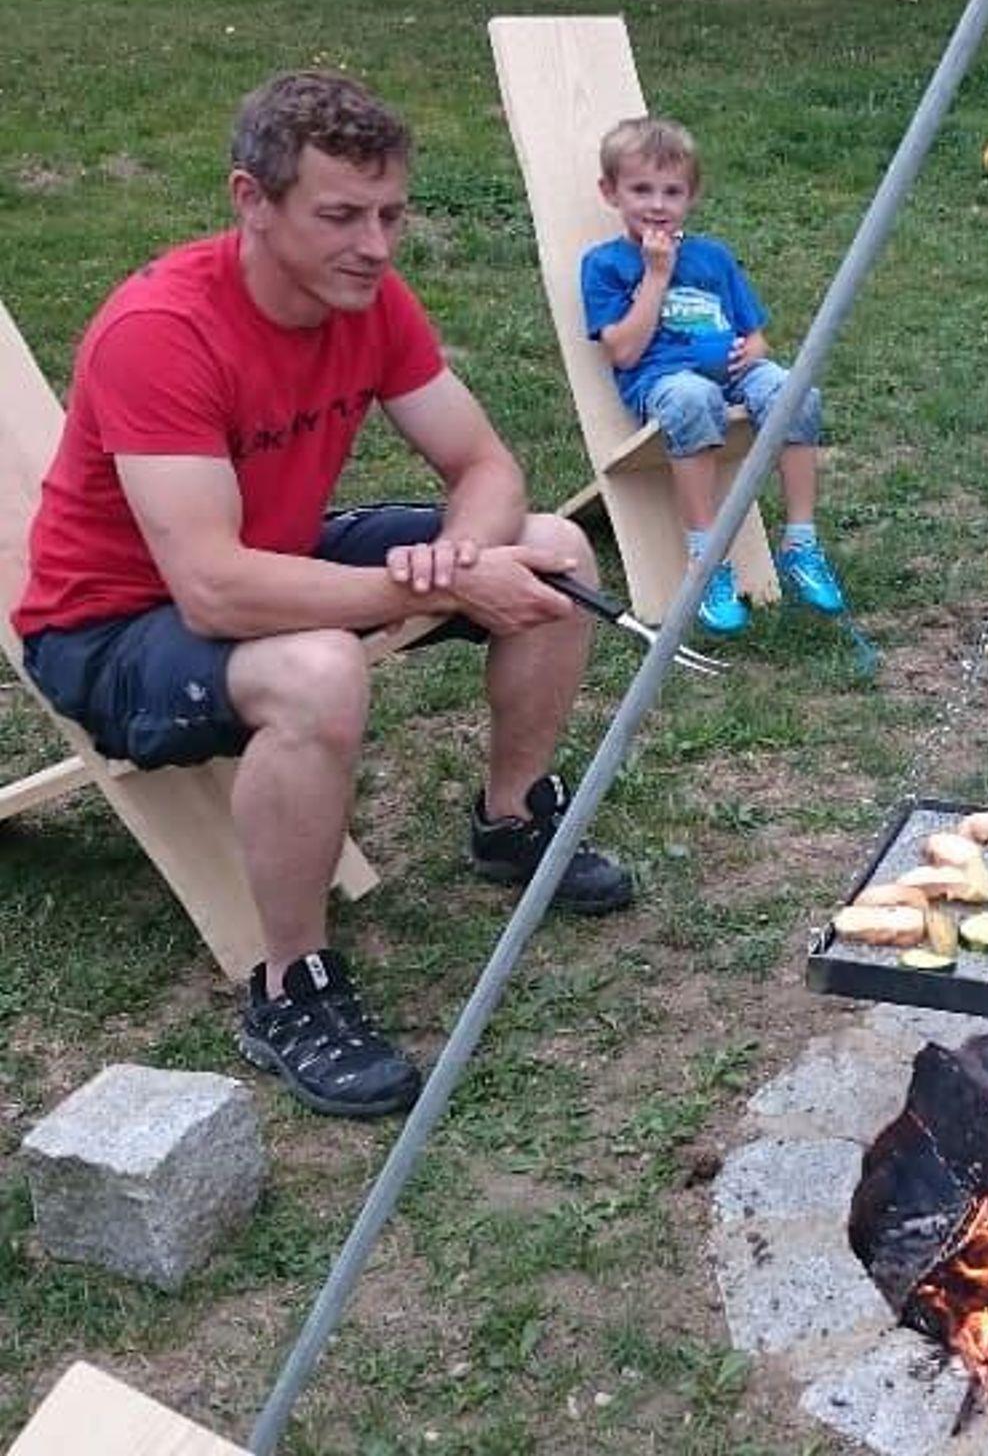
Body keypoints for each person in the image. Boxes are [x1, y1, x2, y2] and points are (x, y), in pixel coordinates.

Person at [11, 71, 636, 1119]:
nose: (376, 245)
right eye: (341, 216)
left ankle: (511, 818)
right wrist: (414, 582)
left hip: (276, 551)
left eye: (391, 214)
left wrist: (465, 552)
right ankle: (288, 985)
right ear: (251, 200)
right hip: (110, 626)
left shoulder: (368, 297)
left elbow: (484, 465)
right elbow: (213, 590)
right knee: (319, 668)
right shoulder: (160, 330)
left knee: (553, 550)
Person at [579, 115, 845, 638]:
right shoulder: (605, 265)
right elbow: (624, 353)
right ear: (610, 193)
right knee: (693, 396)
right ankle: (706, 562)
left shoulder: (713, 257)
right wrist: (656, 274)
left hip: (733, 374)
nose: (657, 204)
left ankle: (801, 542)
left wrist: (752, 352)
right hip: (663, 382)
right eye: (641, 190)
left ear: (692, 196)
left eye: (672, 191)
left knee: (795, 391)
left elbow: (756, 334)